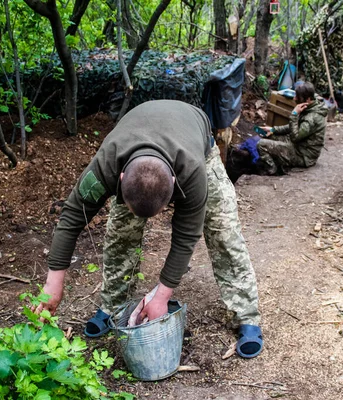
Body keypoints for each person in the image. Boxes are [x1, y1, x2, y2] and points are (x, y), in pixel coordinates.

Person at [35, 100, 263, 358]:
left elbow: (186, 235)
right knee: (121, 231)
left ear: (176, 186)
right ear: (120, 180)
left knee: (223, 230)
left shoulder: (192, 172)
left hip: (194, 140)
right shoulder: (107, 164)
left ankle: (246, 314)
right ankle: (113, 307)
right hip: (138, 137)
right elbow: (73, 215)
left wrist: (161, 297)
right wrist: (53, 284)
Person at [256, 82, 327, 175]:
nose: (295, 99)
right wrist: (273, 130)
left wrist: (294, 115)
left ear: (308, 99)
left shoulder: (312, 118)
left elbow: (295, 136)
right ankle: (278, 162)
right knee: (267, 135)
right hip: (300, 145)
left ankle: (271, 170)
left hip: (304, 155)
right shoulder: (310, 106)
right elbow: (294, 128)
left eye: (298, 97)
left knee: (261, 144)